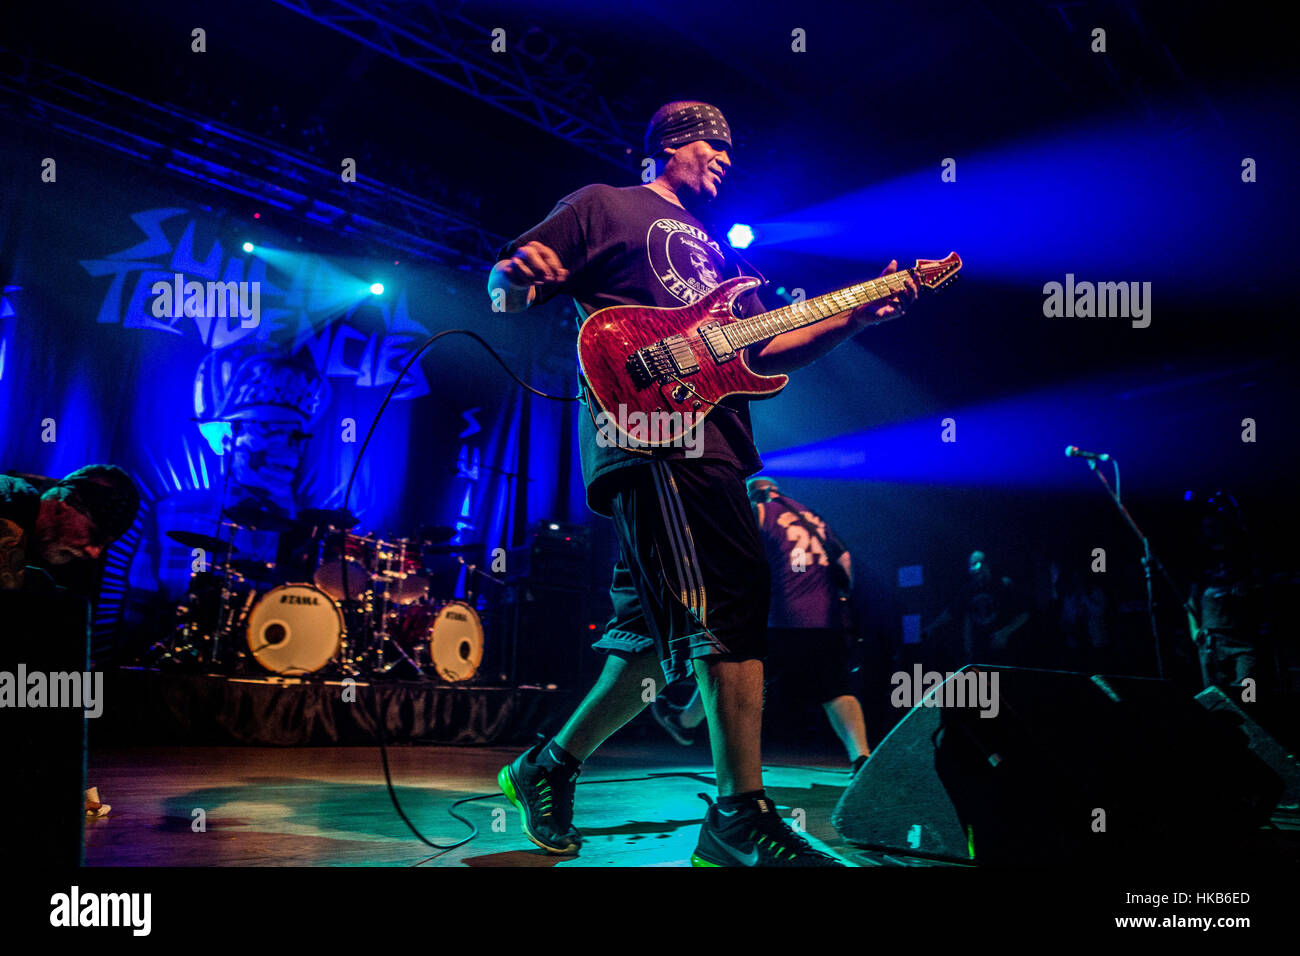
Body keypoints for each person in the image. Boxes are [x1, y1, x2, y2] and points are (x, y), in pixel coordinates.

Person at [488, 100, 916, 866]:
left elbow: (773, 349)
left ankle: (545, 766)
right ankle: (737, 819)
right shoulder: (605, 205)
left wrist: (856, 318)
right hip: (652, 429)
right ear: (669, 147)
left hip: (717, 435)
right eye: (710, 146)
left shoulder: (727, 259)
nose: (722, 160)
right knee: (730, 595)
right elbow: (505, 283)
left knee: (655, 635)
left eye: (727, 150)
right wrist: (514, 279)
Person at [653, 477, 871, 774]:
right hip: (824, 620)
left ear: (752, 494)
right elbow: (844, 561)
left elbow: (735, 560)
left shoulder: (759, 512)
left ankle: (689, 727)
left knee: (725, 669)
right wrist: (839, 598)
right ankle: (861, 759)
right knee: (835, 689)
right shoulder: (812, 516)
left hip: (777, 619)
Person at [0, 463, 140, 819]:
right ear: (63, 502)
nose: (94, 552)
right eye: (94, 534)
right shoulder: (11, 514)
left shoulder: (26, 509)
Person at [925, 550, 1030, 667]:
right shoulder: (969, 590)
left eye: (977, 564)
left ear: (986, 564)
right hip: (980, 654)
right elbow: (951, 612)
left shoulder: (1003, 584)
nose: (975, 569)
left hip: (1005, 652)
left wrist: (1005, 632)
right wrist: (931, 626)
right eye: (971, 566)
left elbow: (1024, 614)